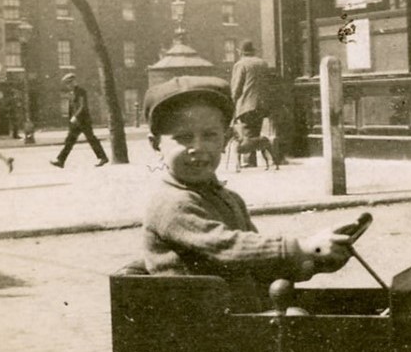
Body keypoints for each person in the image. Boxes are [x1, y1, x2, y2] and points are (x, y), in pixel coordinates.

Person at [142, 75, 352, 310]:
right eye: (183, 138)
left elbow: (257, 260)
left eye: (210, 135)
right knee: (300, 322)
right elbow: (226, 246)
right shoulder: (171, 203)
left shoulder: (228, 199)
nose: (198, 148)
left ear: (226, 140)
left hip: (234, 316)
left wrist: (313, 262)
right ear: (155, 144)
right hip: (195, 324)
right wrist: (302, 247)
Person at [50, 72, 109, 168]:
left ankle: (103, 158)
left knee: (91, 139)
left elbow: (83, 106)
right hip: (75, 123)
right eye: (67, 84)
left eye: (69, 83)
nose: (68, 85)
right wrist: (70, 120)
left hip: (83, 121)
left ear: (74, 82)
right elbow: (71, 108)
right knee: (69, 141)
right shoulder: (71, 93)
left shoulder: (81, 91)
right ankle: (61, 160)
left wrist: (75, 116)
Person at [230, 39, 270, 168]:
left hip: (246, 104)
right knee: (255, 132)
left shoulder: (240, 64)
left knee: (247, 132)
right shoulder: (263, 63)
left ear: (240, 52)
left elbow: (236, 87)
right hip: (262, 104)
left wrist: (232, 101)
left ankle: (249, 161)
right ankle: (252, 159)